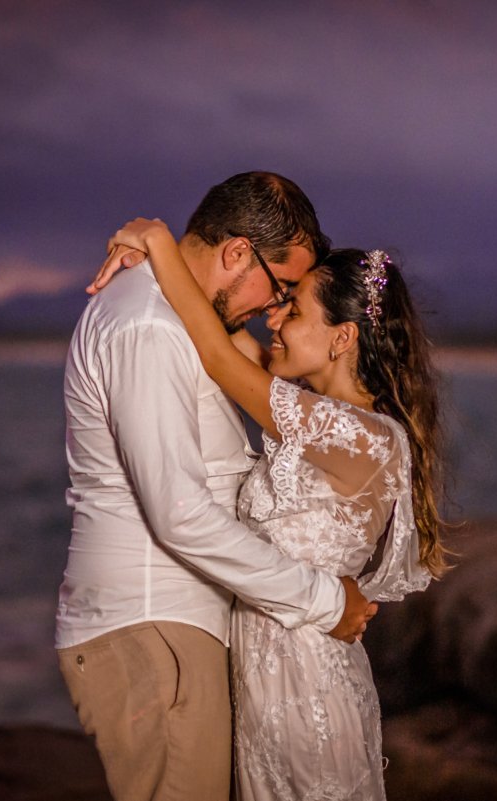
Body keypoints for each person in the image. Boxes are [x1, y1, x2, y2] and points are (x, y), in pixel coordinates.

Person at [91, 216, 448, 801]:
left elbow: (217, 354)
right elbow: (221, 326)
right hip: (267, 675)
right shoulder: (311, 417)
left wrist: (157, 239)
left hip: (306, 684)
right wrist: (162, 269)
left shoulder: (361, 435)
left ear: (343, 338)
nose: (274, 318)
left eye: (295, 311)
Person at [56, 172, 377, 801]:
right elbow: (180, 516)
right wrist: (325, 600)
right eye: (279, 285)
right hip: (154, 628)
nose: (275, 308)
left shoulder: (175, 319)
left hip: (172, 630)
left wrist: (154, 239)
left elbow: (229, 354)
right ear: (236, 252)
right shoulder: (148, 327)